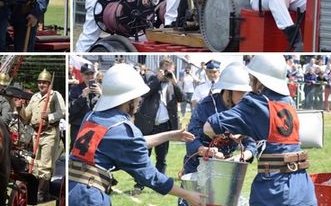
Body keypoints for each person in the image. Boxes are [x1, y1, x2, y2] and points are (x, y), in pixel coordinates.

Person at [68, 63, 204, 206]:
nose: (140, 101)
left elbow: (128, 143)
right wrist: (188, 194)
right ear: (129, 99)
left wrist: (169, 135)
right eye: (138, 96)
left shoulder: (91, 116)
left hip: (71, 188)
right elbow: (151, 177)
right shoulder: (122, 129)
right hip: (89, 197)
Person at [204, 55, 317, 205]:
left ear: (259, 81)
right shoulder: (289, 103)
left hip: (274, 190)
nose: (250, 84)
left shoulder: (255, 103)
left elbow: (209, 128)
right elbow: (275, 136)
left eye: (251, 79)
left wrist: (229, 135)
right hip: (303, 187)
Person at [179, 62, 257, 205]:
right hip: (198, 170)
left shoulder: (244, 111)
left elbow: (251, 143)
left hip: (225, 174)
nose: (245, 96)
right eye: (241, 92)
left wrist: (242, 157)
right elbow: (191, 138)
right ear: (228, 91)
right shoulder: (206, 106)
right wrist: (206, 151)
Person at [133, 59, 182, 194]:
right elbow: (144, 93)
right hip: (148, 125)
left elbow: (182, 97)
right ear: (159, 69)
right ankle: (140, 184)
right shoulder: (150, 78)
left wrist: (174, 82)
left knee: (162, 158)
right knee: (143, 157)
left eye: (170, 69)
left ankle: (160, 185)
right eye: (165, 69)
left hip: (164, 126)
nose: (167, 72)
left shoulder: (172, 84)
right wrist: (158, 79)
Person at [20, 69, 66, 202]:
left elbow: (62, 112)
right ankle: (40, 191)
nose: (41, 85)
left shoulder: (55, 95)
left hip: (49, 133)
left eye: (44, 83)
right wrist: (19, 108)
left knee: (45, 165)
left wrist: (49, 116)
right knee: (35, 164)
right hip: (36, 133)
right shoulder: (34, 97)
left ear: (49, 84)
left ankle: (40, 193)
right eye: (39, 83)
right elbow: (26, 116)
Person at [69, 63, 101, 147]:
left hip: (95, 125)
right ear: (82, 75)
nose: (90, 76)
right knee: (76, 149)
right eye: (87, 74)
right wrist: (82, 96)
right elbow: (71, 109)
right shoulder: (75, 89)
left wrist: (101, 94)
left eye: (92, 73)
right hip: (79, 126)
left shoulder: (100, 88)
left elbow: (108, 106)